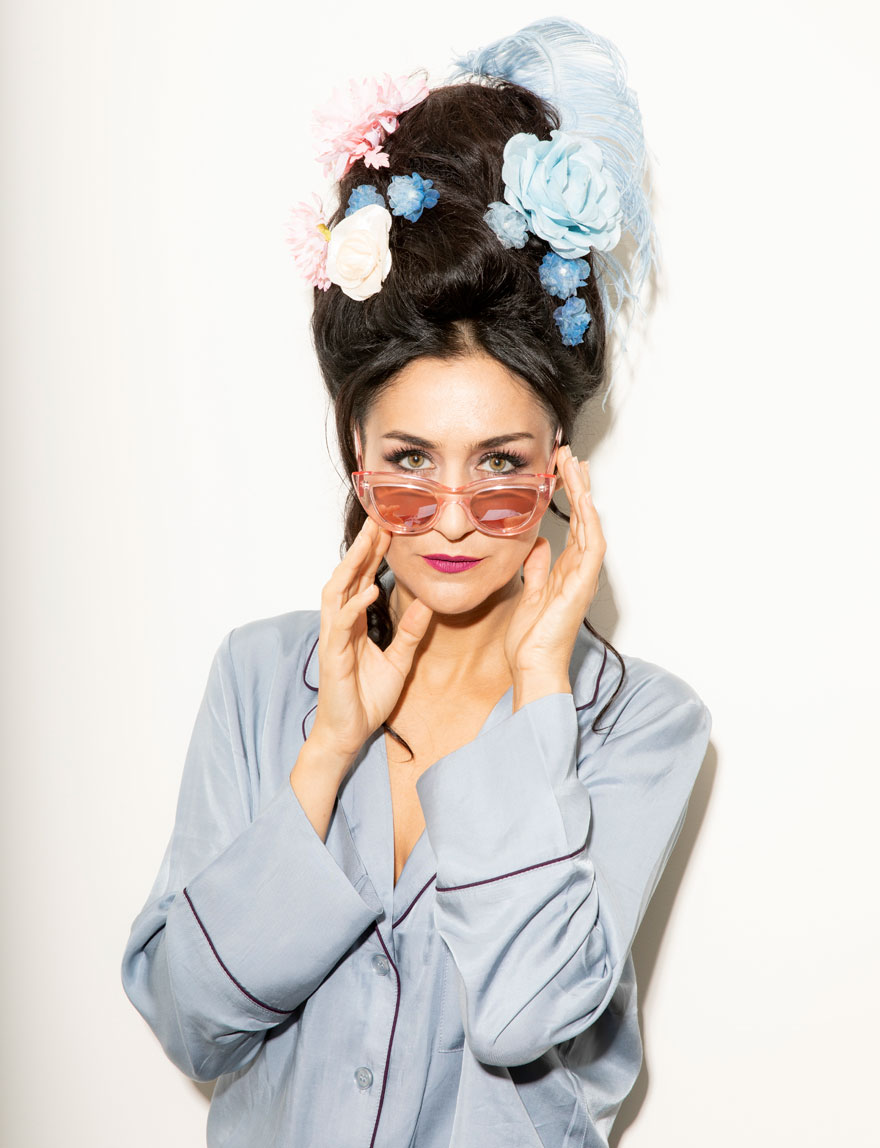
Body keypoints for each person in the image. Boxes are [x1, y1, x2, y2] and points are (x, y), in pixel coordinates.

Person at [121, 17, 712, 1147]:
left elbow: (527, 1011)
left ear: (560, 464)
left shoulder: (641, 726)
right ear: (355, 449)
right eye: (407, 462)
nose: (449, 517)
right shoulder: (259, 678)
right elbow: (190, 1022)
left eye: (500, 466)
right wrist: (327, 750)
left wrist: (539, 692)